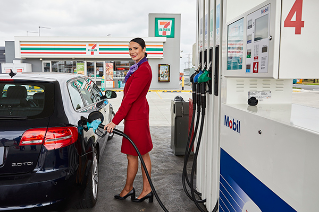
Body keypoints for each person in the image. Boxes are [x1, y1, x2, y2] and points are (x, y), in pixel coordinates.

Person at [104, 37, 153, 203]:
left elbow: (129, 99)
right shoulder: (138, 67)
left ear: (144, 49)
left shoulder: (143, 70)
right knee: (136, 154)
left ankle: (143, 189)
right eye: (130, 48)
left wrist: (114, 121)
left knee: (137, 154)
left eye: (136, 48)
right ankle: (130, 188)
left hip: (136, 117)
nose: (132, 51)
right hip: (136, 115)